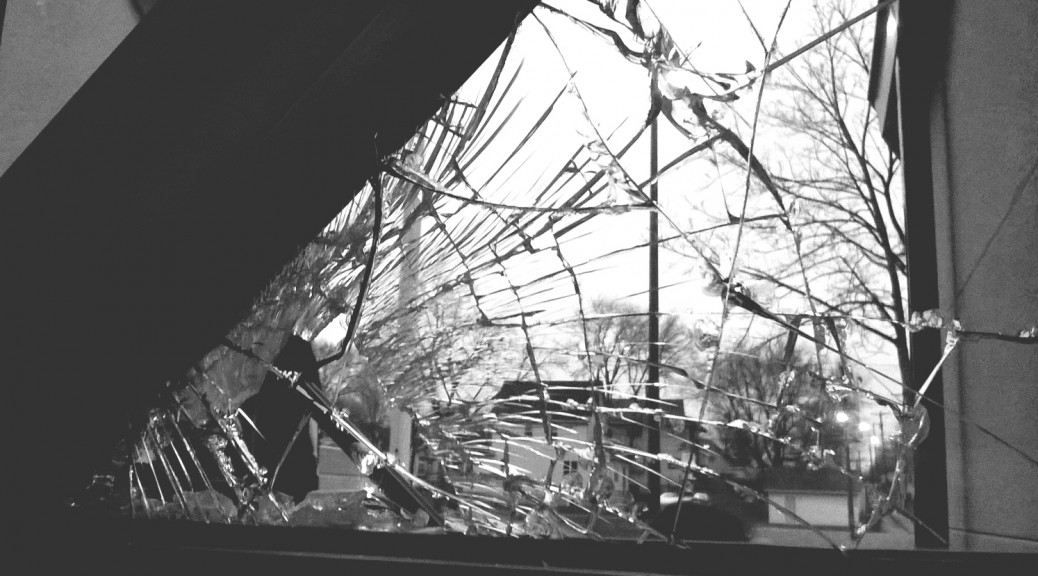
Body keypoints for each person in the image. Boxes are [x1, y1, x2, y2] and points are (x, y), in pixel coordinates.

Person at [239, 335, 320, 504]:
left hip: (290, 464)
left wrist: (313, 455)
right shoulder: (253, 344)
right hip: (265, 463)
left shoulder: (294, 348)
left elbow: (314, 407)